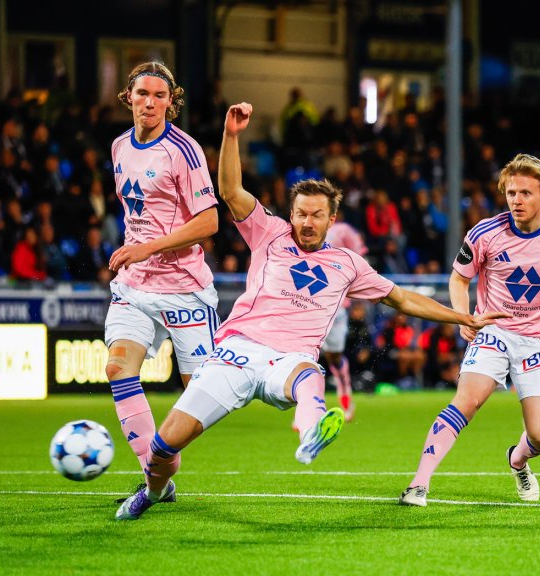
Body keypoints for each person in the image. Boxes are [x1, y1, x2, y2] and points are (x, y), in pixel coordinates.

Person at [115, 102, 507, 521]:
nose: (306, 222)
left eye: (316, 215)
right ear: (291, 213)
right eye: (300, 213)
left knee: (310, 376)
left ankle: (311, 430)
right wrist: (231, 136)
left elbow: (403, 299)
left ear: (331, 219)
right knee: (164, 447)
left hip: (289, 359)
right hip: (237, 351)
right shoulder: (268, 232)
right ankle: (156, 491)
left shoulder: (347, 264)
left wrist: (462, 316)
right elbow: (229, 192)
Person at [399, 153, 540, 508]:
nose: (516, 200)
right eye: (511, 193)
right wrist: (464, 317)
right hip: (493, 332)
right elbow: (459, 278)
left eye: (525, 193)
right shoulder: (485, 233)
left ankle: (518, 460)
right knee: (466, 402)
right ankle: (418, 484)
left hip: (538, 341)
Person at [105, 61, 220, 477]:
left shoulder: (184, 150)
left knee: (203, 396)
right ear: (128, 98)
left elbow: (209, 223)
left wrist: (146, 248)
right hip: (134, 286)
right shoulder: (119, 147)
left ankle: (161, 453)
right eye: (142, 94)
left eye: (159, 96)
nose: (149, 102)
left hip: (183, 288)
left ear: (171, 103)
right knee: (118, 368)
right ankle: (154, 474)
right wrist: (135, 251)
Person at [317, 217, 365, 420]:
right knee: (306, 355)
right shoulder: (305, 230)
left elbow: (359, 262)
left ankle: (345, 395)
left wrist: (356, 297)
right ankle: (310, 407)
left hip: (337, 304)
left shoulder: (344, 231)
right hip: (311, 302)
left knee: (334, 356)